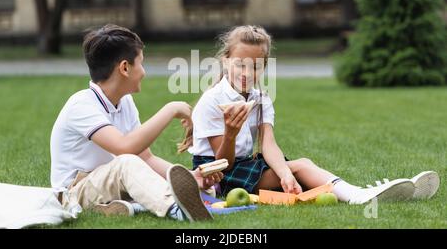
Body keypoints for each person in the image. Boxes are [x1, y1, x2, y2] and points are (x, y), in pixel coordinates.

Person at [178, 25, 440, 204]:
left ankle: (378, 192)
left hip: (244, 166)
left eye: (255, 67)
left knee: (295, 175)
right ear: (225, 61)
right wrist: (232, 134)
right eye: (240, 65)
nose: (247, 73)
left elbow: (269, 144)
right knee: (302, 166)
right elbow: (223, 162)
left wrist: (283, 173)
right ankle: (359, 195)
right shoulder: (212, 102)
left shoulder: (260, 98)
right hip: (217, 177)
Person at [50, 24, 222, 222]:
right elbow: (125, 148)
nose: (144, 72)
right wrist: (170, 109)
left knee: (203, 188)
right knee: (127, 161)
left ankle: (125, 206)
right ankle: (176, 208)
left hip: (108, 182)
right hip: (74, 193)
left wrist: (188, 179)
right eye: (141, 63)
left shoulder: (125, 101)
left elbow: (146, 158)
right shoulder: (81, 105)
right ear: (124, 68)